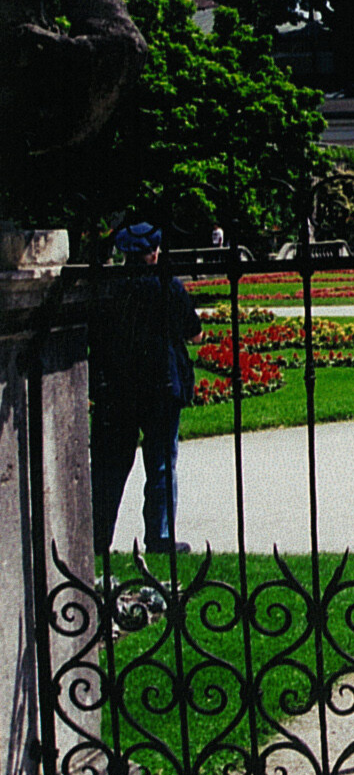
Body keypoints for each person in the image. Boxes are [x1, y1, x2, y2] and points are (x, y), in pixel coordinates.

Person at [89, 222, 202, 556]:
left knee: (110, 468)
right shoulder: (168, 286)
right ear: (154, 252)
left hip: (119, 387)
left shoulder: (110, 288)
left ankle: (98, 537)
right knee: (162, 464)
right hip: (162, 386)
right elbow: (194, 333)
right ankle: (160, 537)